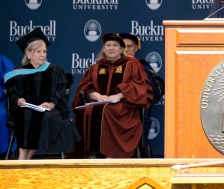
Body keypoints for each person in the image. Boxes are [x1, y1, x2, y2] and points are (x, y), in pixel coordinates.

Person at [72, 33, 153, 158]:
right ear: (104, 49)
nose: (111, 48)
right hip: (98, 102)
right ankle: (87, 156)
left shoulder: (132, 64)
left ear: (121, 49)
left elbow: (140, 86)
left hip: (124, 106)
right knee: (83, 112)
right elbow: (84, 86)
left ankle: (110, 154)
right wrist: (97, 95)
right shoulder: (95, 67)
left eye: (115, 45)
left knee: (107, 110)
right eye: (108, 45)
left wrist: (119, 95)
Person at [4, 28, 80, 160]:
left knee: (40, 116)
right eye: (38, 51)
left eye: (44, 51)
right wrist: (18, 100)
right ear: (28, 53)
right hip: (27, 109)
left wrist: (52, 103)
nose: (42, 55)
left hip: (49, 109)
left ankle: (23, 161)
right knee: (25, 114)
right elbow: (13, 92)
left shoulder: (55, 70)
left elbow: (61, 90)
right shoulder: (19, 73)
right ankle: (23, 158)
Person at [118, 33, 165, 157]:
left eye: (129, 46)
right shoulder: (110, 67)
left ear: (136, 48)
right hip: (115, 113)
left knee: (139, 146)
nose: (126, 49)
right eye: (123, 46)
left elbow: (158, 89)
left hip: (138, 113)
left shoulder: (143, 66)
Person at [0, 54, 16, 156]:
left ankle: (4, 150)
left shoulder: (1, 59)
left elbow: (12, 78)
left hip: (1, 99)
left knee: (2, 114)